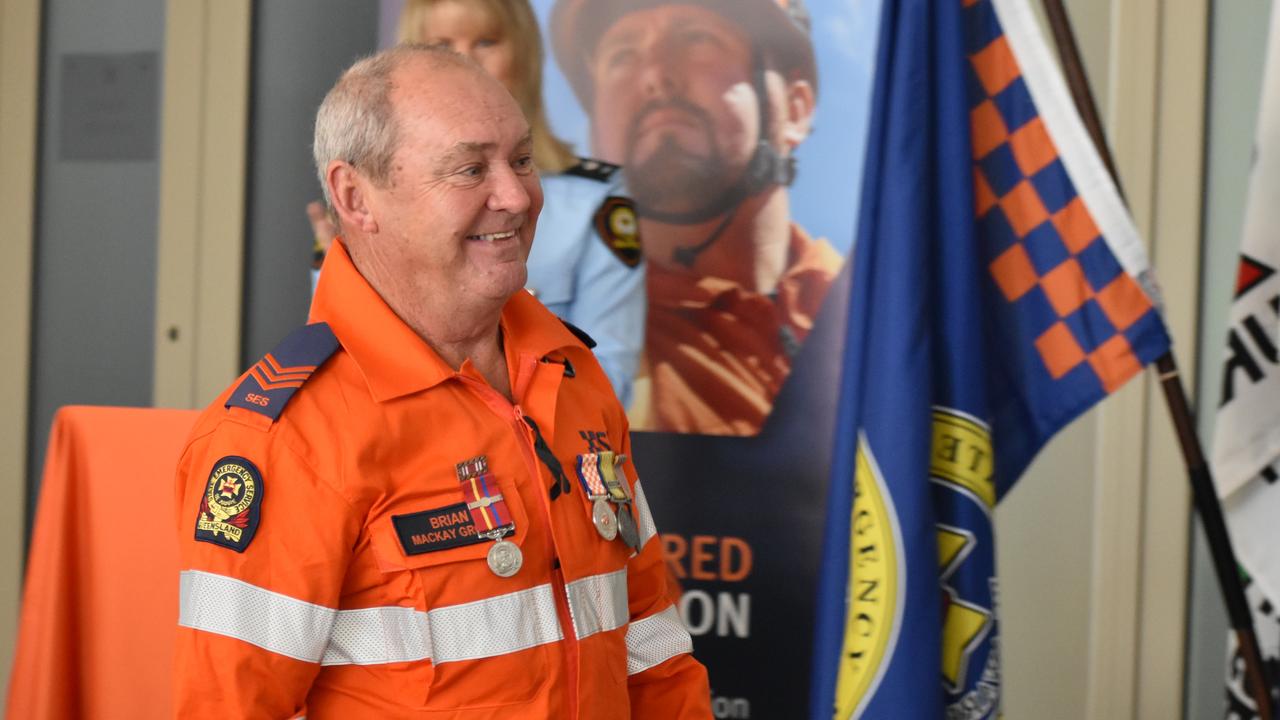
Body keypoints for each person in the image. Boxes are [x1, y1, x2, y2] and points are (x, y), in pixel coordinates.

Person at [174, 45, 711, 717]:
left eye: (521, 158)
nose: (516, 197)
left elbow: (652, 648)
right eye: (469, 168)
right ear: (355, 196)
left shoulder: (571, 373)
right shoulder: (288, 439)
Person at [308, 0, 646, 407]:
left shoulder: (594, 203)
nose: (464, 58)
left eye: (487, 41)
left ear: (525, 54)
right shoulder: (369, 199)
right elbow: (337, 378)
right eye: (441, 43)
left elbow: (605, 386)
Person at [550, 0, 842, 436]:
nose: (655, 76)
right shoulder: (552, 339)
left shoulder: (875, 310)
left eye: (697, 40)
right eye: (622, 56)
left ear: (795, 109)